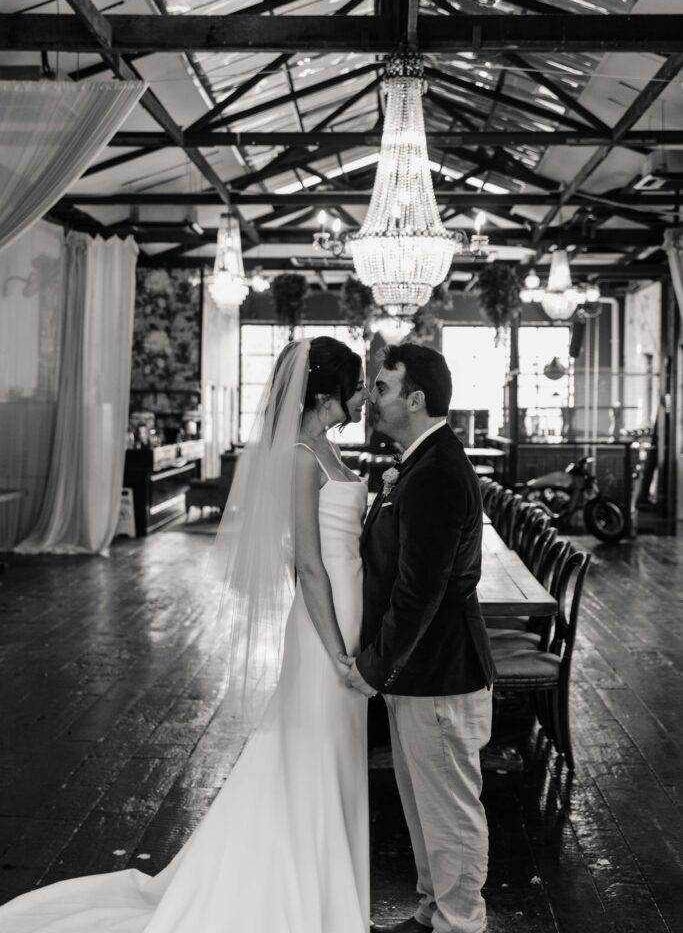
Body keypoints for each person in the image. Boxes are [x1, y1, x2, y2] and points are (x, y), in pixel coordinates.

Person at [0, 336, 372, 933]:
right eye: (357, 385)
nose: (364, 395)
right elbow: (306, 564)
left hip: (349, 612)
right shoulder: (301, 457)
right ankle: (300, 895)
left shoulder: (327, 448)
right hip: (327, 626)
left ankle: (330, 888)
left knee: (333, 750)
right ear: (329, 395)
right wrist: (336, 651)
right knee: (314, 747)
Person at [343, 343, 495, 933]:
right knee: (424, 807)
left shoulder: (435, 473)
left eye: (382, 388)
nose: (371, 399)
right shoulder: (420, 462)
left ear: (415, 399)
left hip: (440, 671)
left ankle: (461, 923)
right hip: (421, 672)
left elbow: (418, 593)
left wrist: (373, 667)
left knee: (449, 811)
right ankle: (434, 912)